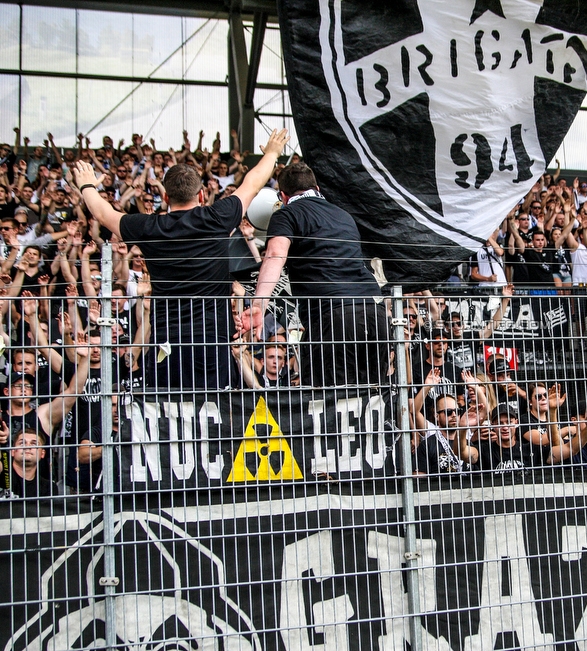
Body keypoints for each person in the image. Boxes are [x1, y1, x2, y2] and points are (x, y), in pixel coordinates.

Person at [73, 129, 290, 391]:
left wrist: (86, 184)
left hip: (167, 339)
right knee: (217, 413)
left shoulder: (150, 227)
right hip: (212, 339)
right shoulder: (217, 217)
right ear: (200, 196)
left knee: (170, 411)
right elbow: (253, 182)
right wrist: (272, 152)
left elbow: (102, 212)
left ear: (165, 197)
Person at [246, 161, 389, 387]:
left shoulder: (286, 214)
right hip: (374, 311)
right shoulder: (344, 216)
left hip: (334, 315)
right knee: (374, 397)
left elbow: (274, 255)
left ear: (283, 196)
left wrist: (259, 303)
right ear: (317, 189)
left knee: (331, 399)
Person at [6, 428, 58, 498]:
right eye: (22, 443)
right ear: (12, 451)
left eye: (34, 444)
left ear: (42, 453)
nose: (27, 447)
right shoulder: (2, 477)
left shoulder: (49, 488)